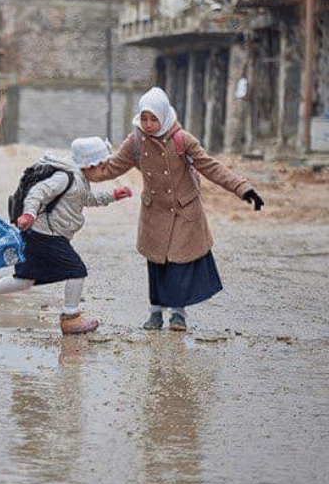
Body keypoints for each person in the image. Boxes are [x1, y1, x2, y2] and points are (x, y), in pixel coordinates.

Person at [85, 87, 264, 331]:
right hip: (154, 211)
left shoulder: (182, 140)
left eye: (153, 119)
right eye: (144, 118)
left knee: (179, 264)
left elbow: (211, 167)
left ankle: (178, 313)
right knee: (156, 264)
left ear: (164, 115)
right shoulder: (136, 141)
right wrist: (82, 171)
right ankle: (155, 313)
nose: (148, 124)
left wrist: (243, 189)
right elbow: (112, 167)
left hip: (183, 210)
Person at [0, 137, 133, 334]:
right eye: (102, 167)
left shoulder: (79, 179)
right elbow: (38, 192)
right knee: (77, 270)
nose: (103, 172)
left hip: (39, 235)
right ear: (90, 164)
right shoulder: (66, 178)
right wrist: (29, 213)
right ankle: (70, 317)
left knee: (25, 279)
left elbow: (86, 199)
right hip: (46, 235)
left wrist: (112, 196)